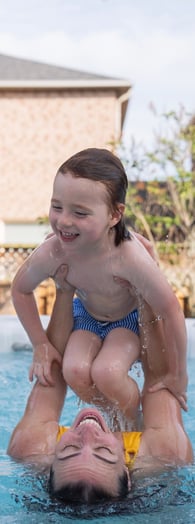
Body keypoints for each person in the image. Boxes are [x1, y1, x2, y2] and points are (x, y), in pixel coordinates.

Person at [11, 148, 187, 419]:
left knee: (108, 372)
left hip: (126, 320)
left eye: (80, 213)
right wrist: (40, 345)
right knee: (74, 370)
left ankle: (131, 418)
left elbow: (171, 310)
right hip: (86, 316)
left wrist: (178, 374)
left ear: (115, 215)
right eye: (57, 207)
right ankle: (114, 415)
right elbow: (20, 290)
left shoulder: (128, 256)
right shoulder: (54, 251)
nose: (64, 221)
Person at [7, 285, 193, 505]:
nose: (87, 432)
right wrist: (144, 297)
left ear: (48, 470)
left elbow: (52, 370)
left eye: (69, 448)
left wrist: (64, 291)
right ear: (128, 475)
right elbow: (158, 376)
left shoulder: (31, 448)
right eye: (103, 450)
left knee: (76, 370)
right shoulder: (167, 455)